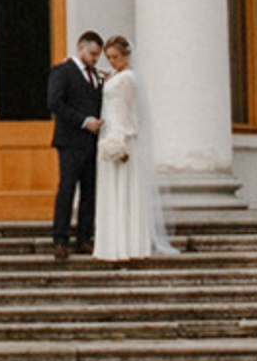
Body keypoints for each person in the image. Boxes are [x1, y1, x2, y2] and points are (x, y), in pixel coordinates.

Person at [91, 36, 179, 263]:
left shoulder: (128, 78)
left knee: (124, 189)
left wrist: (119, 139)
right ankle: (113, 243)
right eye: (109, 57)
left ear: (126, 55)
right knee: (113, 190)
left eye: (116, 57)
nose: (112, 61)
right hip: (110, 132)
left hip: (122, 135)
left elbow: (128, 111)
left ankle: (126, 243)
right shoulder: (115, 76)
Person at [45, 31, 104, 254]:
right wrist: (83, 121)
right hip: (70, 141)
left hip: (92, 142)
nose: (94, 59)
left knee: (89, 192)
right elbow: (54, 102)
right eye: (91, 54)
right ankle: (60, 239)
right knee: (67, 189)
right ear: (80, 48)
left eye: (97, 55)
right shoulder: (63, 71)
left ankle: (84, 237)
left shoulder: (96, 76)